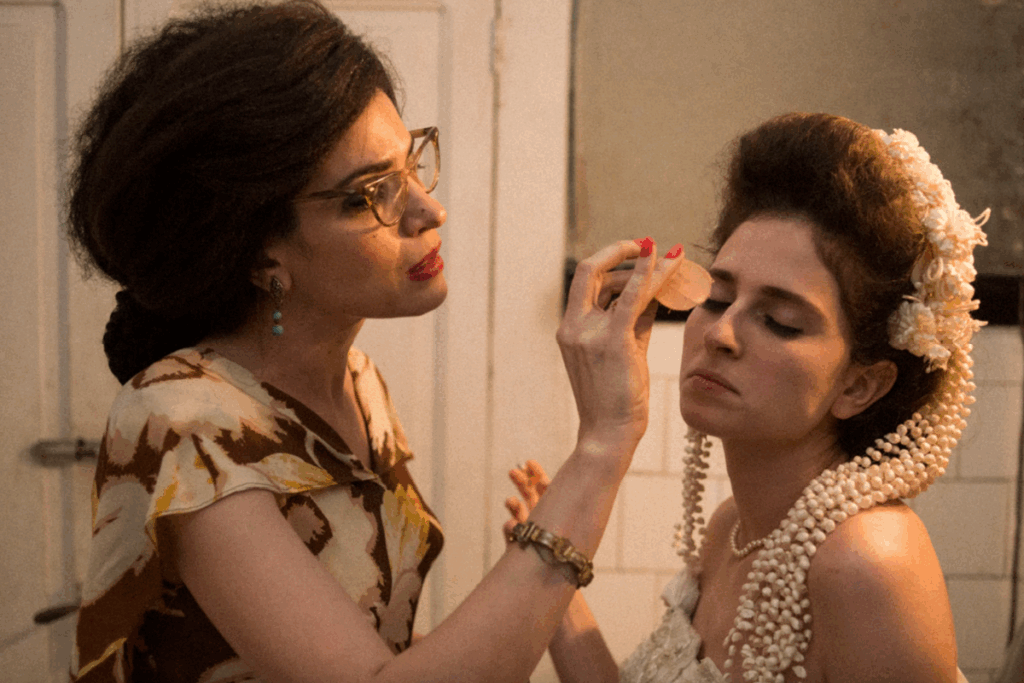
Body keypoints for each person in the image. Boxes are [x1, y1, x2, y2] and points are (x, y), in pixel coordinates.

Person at [65, 1, 691, 681]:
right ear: (259, 253)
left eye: (413, 165)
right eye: (370, 194)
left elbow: (374, 636)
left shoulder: (357, 384)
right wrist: (603, 442)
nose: (428, 209)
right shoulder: (183, 424)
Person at [506, 112, 988, 683]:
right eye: (717, 297)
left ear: (860, 385)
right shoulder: (733, 529)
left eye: (780, 321)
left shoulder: (866, 561)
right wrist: (551, 562)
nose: (720, 333)